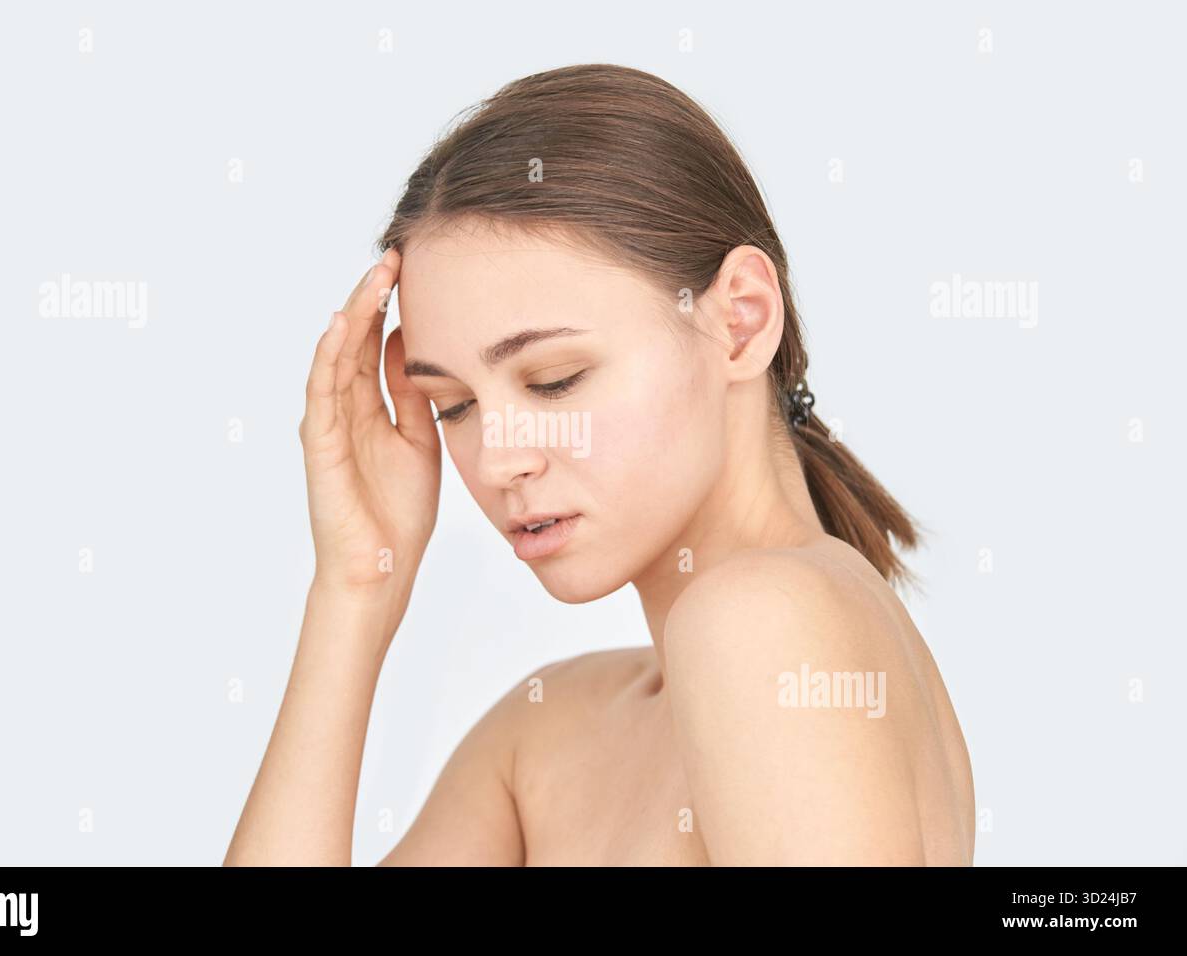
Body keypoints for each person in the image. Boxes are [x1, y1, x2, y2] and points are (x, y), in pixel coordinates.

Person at [224, 64, 974, 866]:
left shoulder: (765, 624)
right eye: (455, 406)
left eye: (554, 381)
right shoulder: (543, 737)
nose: (498, 459)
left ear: (741, 322)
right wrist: (355, 589)